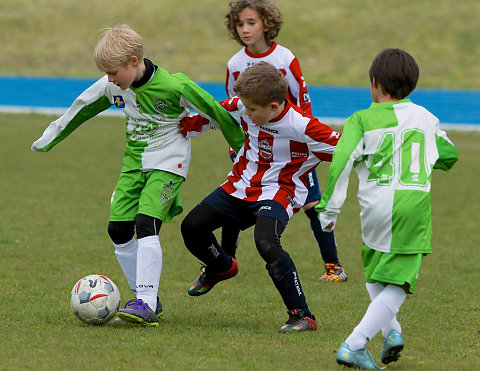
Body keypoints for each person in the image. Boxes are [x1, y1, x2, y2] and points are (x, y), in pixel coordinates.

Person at [31, 24, 245, 327]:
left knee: (146, 224)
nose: (109, 80)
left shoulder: (173, 86)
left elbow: (215, 110)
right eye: (105, 74)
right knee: (118, 230)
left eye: (113, 73)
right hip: (133, 164)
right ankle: (149, 301)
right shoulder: (113, 86)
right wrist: (49, 138)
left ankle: (144, 300)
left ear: (134, 61)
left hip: (169, 163)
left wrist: (241, 150)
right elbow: (81, 108)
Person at [316, 48, 458, 368]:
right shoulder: (425, 118)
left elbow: (342, 160)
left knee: (376, 272)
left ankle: (391, 331)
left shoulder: (361, 119)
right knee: (399, 284)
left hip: (373, 207)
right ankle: (354, 344)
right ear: (412, 85)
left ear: (375, 83)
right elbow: (449, 154)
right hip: (410, 207)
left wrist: (330, 209)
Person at [179, 61, 341, 332]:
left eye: (253, 110)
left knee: (266, 241)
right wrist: (179, 125)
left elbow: (348, 150)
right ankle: (220, 267)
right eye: (245, 107)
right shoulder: (244, 104)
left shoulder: (304, 127)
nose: (247, 113)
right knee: (191, 227)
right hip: (239, 186)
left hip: (280, 191)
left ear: (275, 106)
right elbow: (211, 116)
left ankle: (302, 315)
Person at [222, 0, 347, 282]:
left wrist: (309, 143)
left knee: (312, 205)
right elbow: (234, 108)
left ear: (266, 23)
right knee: (233, 198)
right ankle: (222, 263)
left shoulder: (285, 59)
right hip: (254, 149)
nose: (245, 29)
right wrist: (236, 147)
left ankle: (333, 266)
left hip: (292, 147)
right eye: (240, 24)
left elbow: (302, 103)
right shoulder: (235, 64)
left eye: (251, 23)